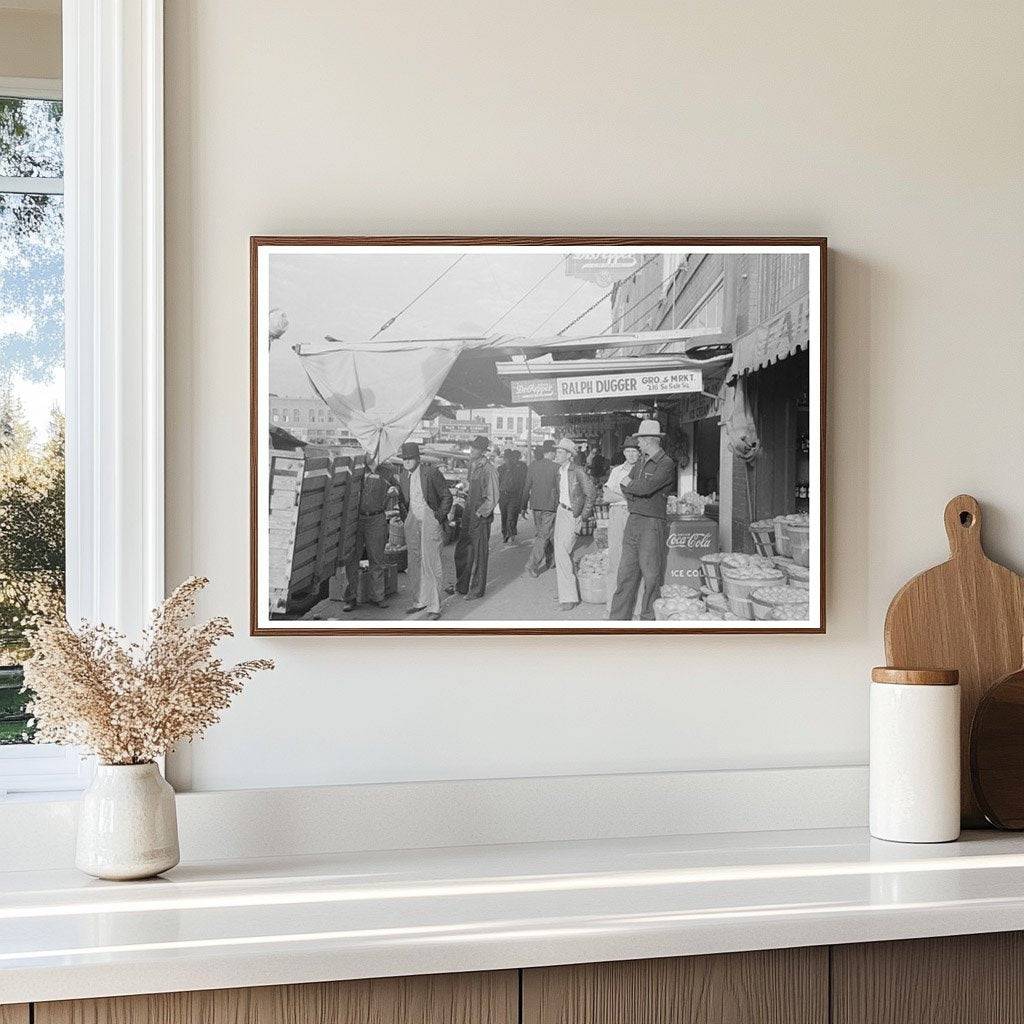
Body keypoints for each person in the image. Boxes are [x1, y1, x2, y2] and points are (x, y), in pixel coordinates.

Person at [609, 419, 676, 621]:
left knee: (651, 576)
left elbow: (646, 488)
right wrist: (636, 493)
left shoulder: (666, 463)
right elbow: (623, 486)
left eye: (639, 440)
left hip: (651, 524)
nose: (637, 444)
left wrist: (635, 489)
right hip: (634, 520)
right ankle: (617, 620)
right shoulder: (639, 462)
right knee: (625, 574)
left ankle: (647, 620)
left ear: (648, 440)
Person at [398, 442, 452, 621]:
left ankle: (435, 606)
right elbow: (402, 501)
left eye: (410, 458)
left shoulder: (431, 473)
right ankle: (420, 601)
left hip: (430, 518)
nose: (406, 461)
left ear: (418, 458)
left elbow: (447, 496)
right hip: (413, 519)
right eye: (404, 459)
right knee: (414, 562)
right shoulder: (403, 476)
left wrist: (438, 517)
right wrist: (407, 519)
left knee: (431, 563)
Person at [342, 455, 398, 612]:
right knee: (352, 558)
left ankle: (378, 596)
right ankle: (351, 597)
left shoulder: (386, 471)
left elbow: (397, 487)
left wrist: (394, 490)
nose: (371, 455)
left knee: (376, 558)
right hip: (356, 519)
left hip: (377, 519)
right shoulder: (358, 469)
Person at [452, 435, 500, 600]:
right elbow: (470, 487)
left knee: (479, 554)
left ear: (482, 451)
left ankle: (477, 590)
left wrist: (480, 513)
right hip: (468, 512)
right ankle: (462, 586)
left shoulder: (489, 469)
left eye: (475, 448)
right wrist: (462, 488)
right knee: (462, 550)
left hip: (480, 515)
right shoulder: (472, 465)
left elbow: (493, 497)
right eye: (471, 447)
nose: (471, 450)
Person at [552, 436, 597, 611]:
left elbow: (591, 494)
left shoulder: (578, 471)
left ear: (569, 455)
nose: (557, 454)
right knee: (562, 553)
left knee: (562, 553)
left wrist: (582, 517)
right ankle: (567, 591)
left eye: (560, 452)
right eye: (557, 451)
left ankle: (569, 597)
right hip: (561, 511)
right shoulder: (560, 470)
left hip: (572, 514)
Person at [602, 436, 641, 613]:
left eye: (634, 451)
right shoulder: (616, 471)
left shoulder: (643, 470)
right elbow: (606, 496)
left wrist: (619, 496)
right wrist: (629, 497)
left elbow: (643, 497)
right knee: (615, 559)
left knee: (637, 560)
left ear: (639, 453)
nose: (631, 454)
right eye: (628, 451)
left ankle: (637, 608)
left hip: (636, 515)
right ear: (624, 452)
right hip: (617, 514)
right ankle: (612, 606)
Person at [521, 439, 559, 577]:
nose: (556, 454)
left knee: (543, 534)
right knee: (544, 535)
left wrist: (523, 506)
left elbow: (526, 487)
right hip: (550, 506)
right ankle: (532, 565)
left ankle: (551, 560)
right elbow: (559, 489)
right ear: (551, 452)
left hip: (536, 505)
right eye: (555, 452)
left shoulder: (533, 466)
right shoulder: (556, 467)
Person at [498, 449, 528, 543]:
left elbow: (521, 483)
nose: (507, 460)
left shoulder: (518, 468)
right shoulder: (500, 469)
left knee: (511, 515)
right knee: (504, 515)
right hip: (503, 495)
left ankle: (511, 533)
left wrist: (521, 497)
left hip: (514, 496)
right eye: (506, 457)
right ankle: (505, 533)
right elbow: (497, 483)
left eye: (509, 458)